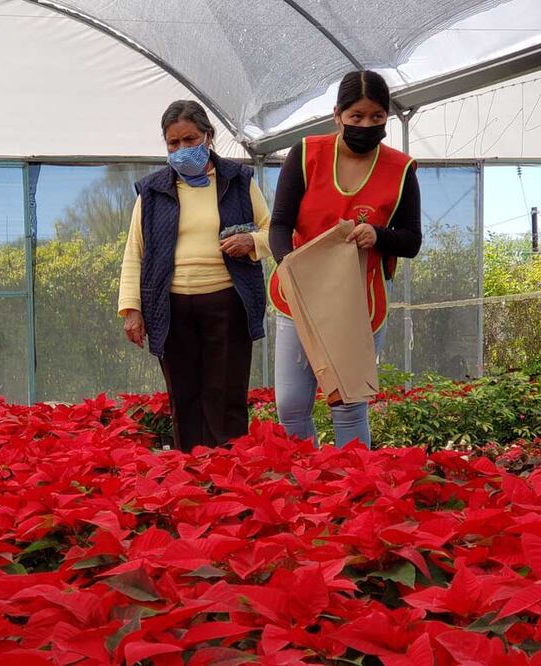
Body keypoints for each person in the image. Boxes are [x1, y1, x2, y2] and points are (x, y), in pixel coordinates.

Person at [268, 70, 422, 448]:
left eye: (376, 117)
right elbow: (280, 225)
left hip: (361, 303)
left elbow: (412, 240)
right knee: (291, 405)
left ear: (386, 116)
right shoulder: (306, 154)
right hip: (300, 298)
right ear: (337, 115)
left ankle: (352, 481)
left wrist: (378, 235)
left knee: (349, 405)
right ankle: (303, 476)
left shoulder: (401, 169)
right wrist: (289, 269)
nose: (366, 125)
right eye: (356, 116)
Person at [118, 100, 272, 452]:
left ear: (208, 136)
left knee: (226, 393)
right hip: (171, 308)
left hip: (227, 303)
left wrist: (251, 242)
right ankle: (189, 469)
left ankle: (227, 469)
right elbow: (134, 252)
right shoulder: (152, 191)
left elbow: (272, 230)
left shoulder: (238, 181)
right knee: (184, 395)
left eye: (189, 140)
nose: (182, 149)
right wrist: (131, 309)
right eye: (173, 143)